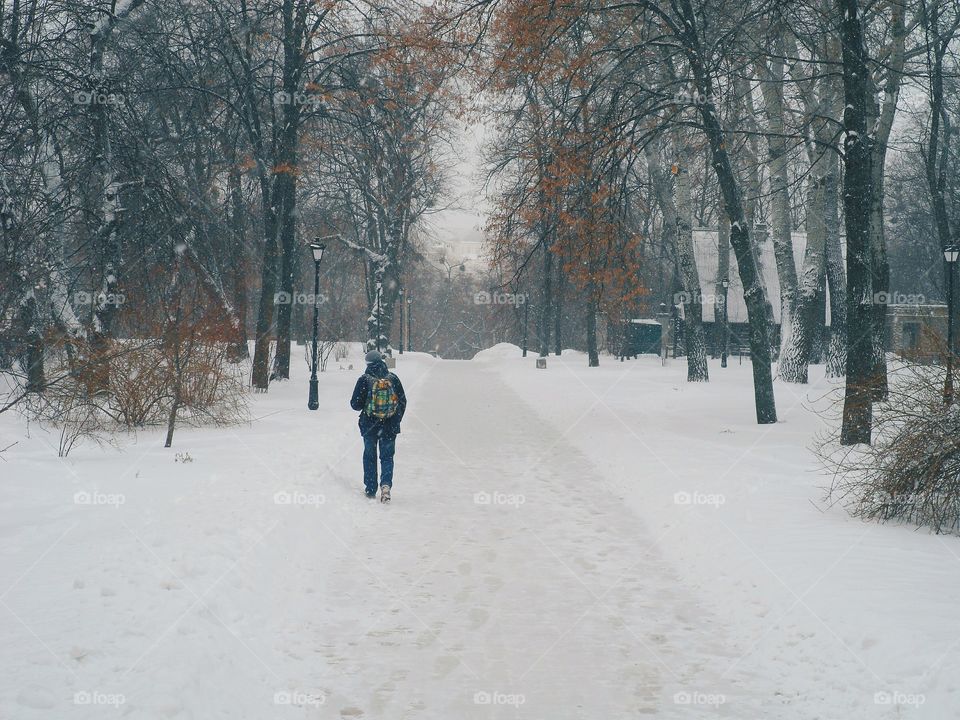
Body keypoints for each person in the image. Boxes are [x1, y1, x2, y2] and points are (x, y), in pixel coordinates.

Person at [350, 350, 407, 502]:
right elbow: (402, 401)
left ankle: (370, 488)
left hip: (369, 426)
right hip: (389, 426)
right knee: (387, 457)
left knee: (370, 456)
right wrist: (395, 418)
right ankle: (386, 486)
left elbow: (355, 404)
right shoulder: (393, 378)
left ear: (367, 364)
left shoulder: (364, 380)